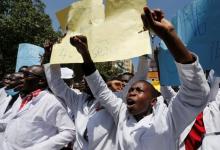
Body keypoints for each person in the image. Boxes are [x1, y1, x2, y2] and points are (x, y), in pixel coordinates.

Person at [70, 6, 210, 150]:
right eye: (131, 89)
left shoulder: (168, 119)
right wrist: (85, 55)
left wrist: (169, 35)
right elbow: (100, 90)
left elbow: (196, 92)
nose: (132, 92)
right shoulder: (121, 114)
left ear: (153, 101)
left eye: (139, 90)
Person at [43, 44, 149, 149]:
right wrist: (49, 59)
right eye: (83, 80)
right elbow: (56, 85)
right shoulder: (78, 100)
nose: (84, 82)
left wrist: (144, 51)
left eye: (88, 80)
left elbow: (139, 77)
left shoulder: (118, 99)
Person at [0, 65, 75, 150]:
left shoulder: (52, 102)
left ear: (41, 81)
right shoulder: (22, 99)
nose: (21, 79)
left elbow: (69, 132)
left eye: (26, 75)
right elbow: (15, 122)